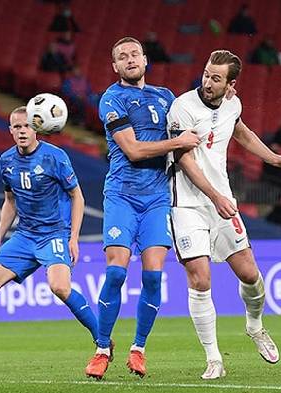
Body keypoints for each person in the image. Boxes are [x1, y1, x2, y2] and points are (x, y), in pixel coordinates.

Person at [166, 49, 281, 379]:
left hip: (221, 200)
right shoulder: (182, 108)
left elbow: (240, 131)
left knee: (251, 276)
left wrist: (273, 158)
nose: (208, 82)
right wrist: (214, 197)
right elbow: (184, 160)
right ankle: (214, 358)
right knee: (200, 278)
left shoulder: (232, 103)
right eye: (206, 74)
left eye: (216, 78)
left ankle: (255, 327)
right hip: (187, 203)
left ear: (231, 84)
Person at [0, 106, 98, 367]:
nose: (22, 131)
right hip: (24, 236)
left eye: (27, 126)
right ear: (10, 130)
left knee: (59, 287)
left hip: (54, 234)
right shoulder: (6, 160)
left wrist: (73, 238)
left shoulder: (55, 157)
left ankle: (102, 341)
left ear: (37, 127)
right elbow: (10, 201)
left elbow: (76, 195)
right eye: (17, 127)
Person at [84, 37, 200, 380]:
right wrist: (177, 143)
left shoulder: (167, 98)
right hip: (122, 194)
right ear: (115, 67)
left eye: (135, 54)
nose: (130, 59)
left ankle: (138, 349)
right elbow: (133, 151)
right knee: (117, 272)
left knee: (152, 275)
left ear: (145, 60)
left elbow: (199, 111)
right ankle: (103, 348)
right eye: (122, 56)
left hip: (156, 199)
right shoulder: (112, 98)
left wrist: (224, 100)